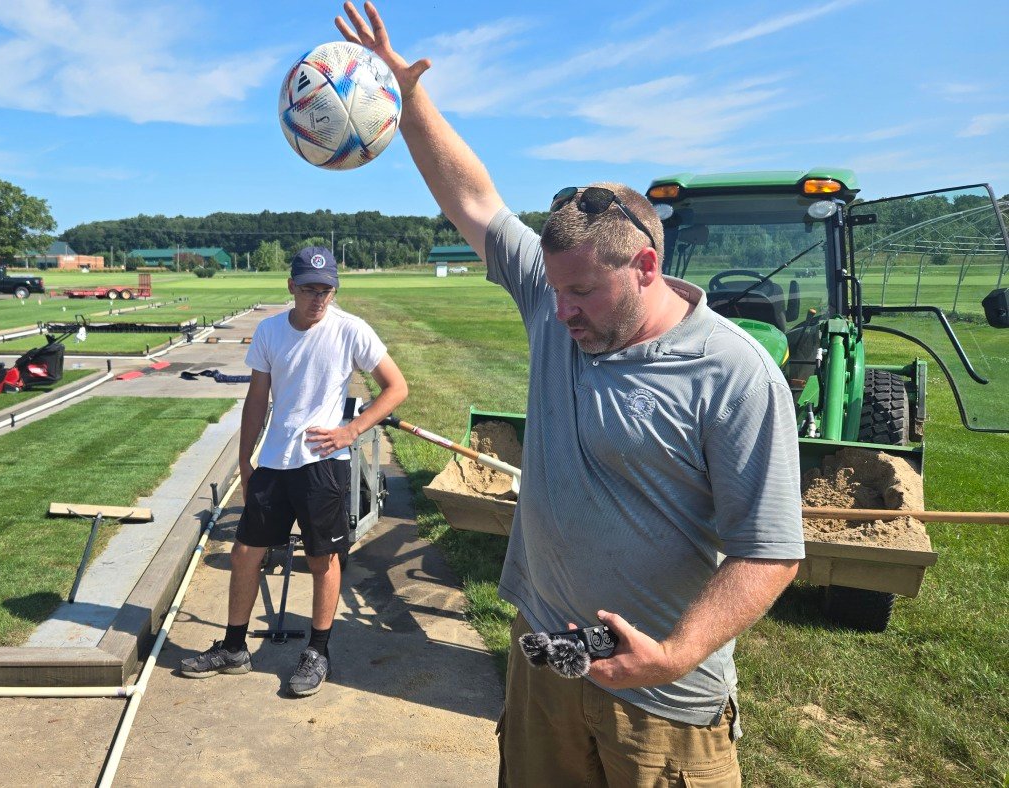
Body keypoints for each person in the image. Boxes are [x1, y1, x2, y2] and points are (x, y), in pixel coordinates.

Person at [336, 3, 805, 784]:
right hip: (547, 669)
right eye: (553, 290)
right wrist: (409, 98)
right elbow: (476, 201)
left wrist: (676, 654)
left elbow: (770, 549)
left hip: (663, 701)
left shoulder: (731, 373)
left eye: (582, 292)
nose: (560, 313)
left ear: (647, 268)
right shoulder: (561, 310)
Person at [179, 246, 408, 696]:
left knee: (322, 559)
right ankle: (233, 647)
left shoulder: (351, 330)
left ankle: (317, 652)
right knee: (246, 552)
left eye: (326, 289)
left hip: (322, 464)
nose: (318, 298)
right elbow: (256, 400)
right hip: (274, 460)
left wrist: (353, 430)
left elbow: (396, 387)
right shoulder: (269, 332)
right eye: (308, 289)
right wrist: (245, 462)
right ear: (291, 287)